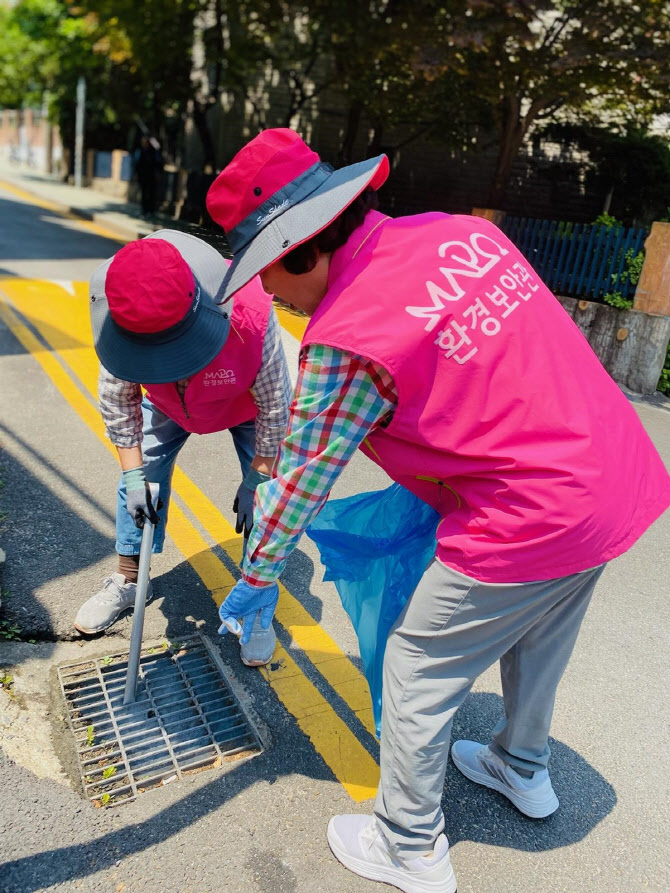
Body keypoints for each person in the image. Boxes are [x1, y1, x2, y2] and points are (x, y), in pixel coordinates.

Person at [205, 128, 670, 893]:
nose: (269, 296)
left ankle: (409, 844)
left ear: (301, 251)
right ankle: (522, 767)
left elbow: (299, 479)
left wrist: (255, 576)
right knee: (539, 633)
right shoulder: (462, 235)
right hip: (610, 478)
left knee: (418, 663)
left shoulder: (349, 336)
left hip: (530, 508)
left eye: (267, 276)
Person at [74, 229, 292, 668]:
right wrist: (135, 476)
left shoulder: (251, 317)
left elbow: (275, 407)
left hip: (244, 408)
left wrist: (259, 477)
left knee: (269, 500)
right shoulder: (122, 318)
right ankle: (131, 579)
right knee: (140, 481)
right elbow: (119, 402)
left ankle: (257, 596)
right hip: (166, 405)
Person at [134, 136, 163, 217]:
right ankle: (144, 210)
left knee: (152, 194)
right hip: (143, 177)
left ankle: (151, 211)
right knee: (144, 194)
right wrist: (136, 174)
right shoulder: (140, 151)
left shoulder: (153, 152)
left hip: (151, 177)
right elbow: (137, 164)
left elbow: (158, 162)